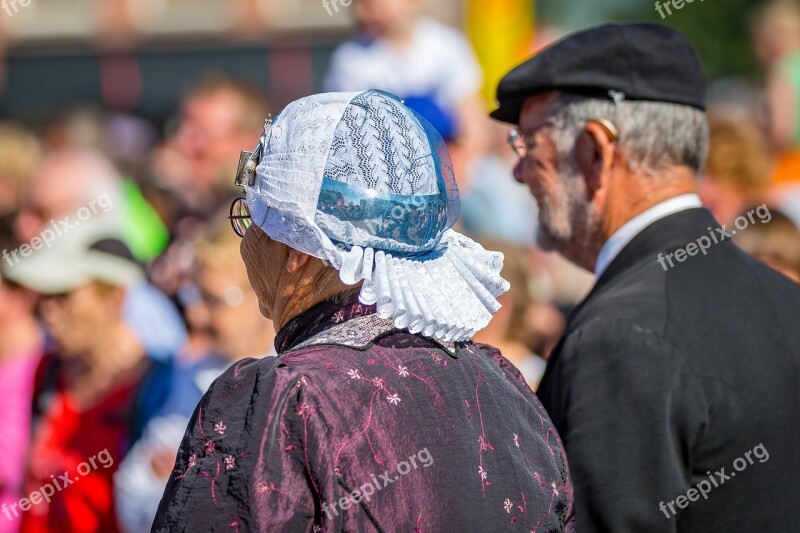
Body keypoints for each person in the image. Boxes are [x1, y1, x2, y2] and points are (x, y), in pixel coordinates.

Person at [153, 90, 574, 532]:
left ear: (297, 247)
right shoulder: (502, 384)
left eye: (250, 222)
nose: (248, 244)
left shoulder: (282, 398)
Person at [491, 23, 800, 532]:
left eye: (527, 144)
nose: (518, 173)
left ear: (596, 151)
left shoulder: (618, 340)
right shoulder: (784, 298)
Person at [2, 222, 172, 533]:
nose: (49, 312)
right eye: (44, 297)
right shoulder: (48, 371)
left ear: (116, 296)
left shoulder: (158, 390)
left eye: (64, 296)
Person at [114, 216, 275, 533]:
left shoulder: (297, 376)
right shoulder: (192, 375)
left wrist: (189, 475)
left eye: (214, 300)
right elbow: (132, 494)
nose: (197, 315)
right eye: (195, 297)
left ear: (262, 294)